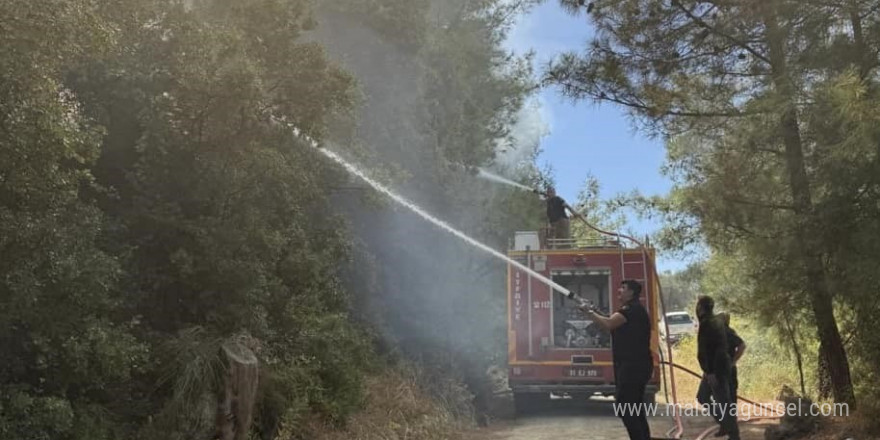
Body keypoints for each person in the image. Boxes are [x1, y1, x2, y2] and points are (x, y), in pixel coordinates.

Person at [581, 280, 653, 440]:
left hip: (633, 367)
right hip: (636, 365)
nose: (619, 290)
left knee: (625, 407)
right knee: (635, 407)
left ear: (632, 293)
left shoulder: (631, 310)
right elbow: (611, 321)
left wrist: (588, 313)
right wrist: (594, 311)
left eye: (623, 288)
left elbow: (609, 323)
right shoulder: (632, 310)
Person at [696, 296, 740, 440]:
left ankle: (734, 435)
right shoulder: (712, 322)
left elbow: (711, 351)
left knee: (724, 403)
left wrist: (711, 372)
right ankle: (726, 425)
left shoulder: (709, 324)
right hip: (714, 369)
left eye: (698, 306)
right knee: (703, 396)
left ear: (700, 308)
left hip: (716, 370)